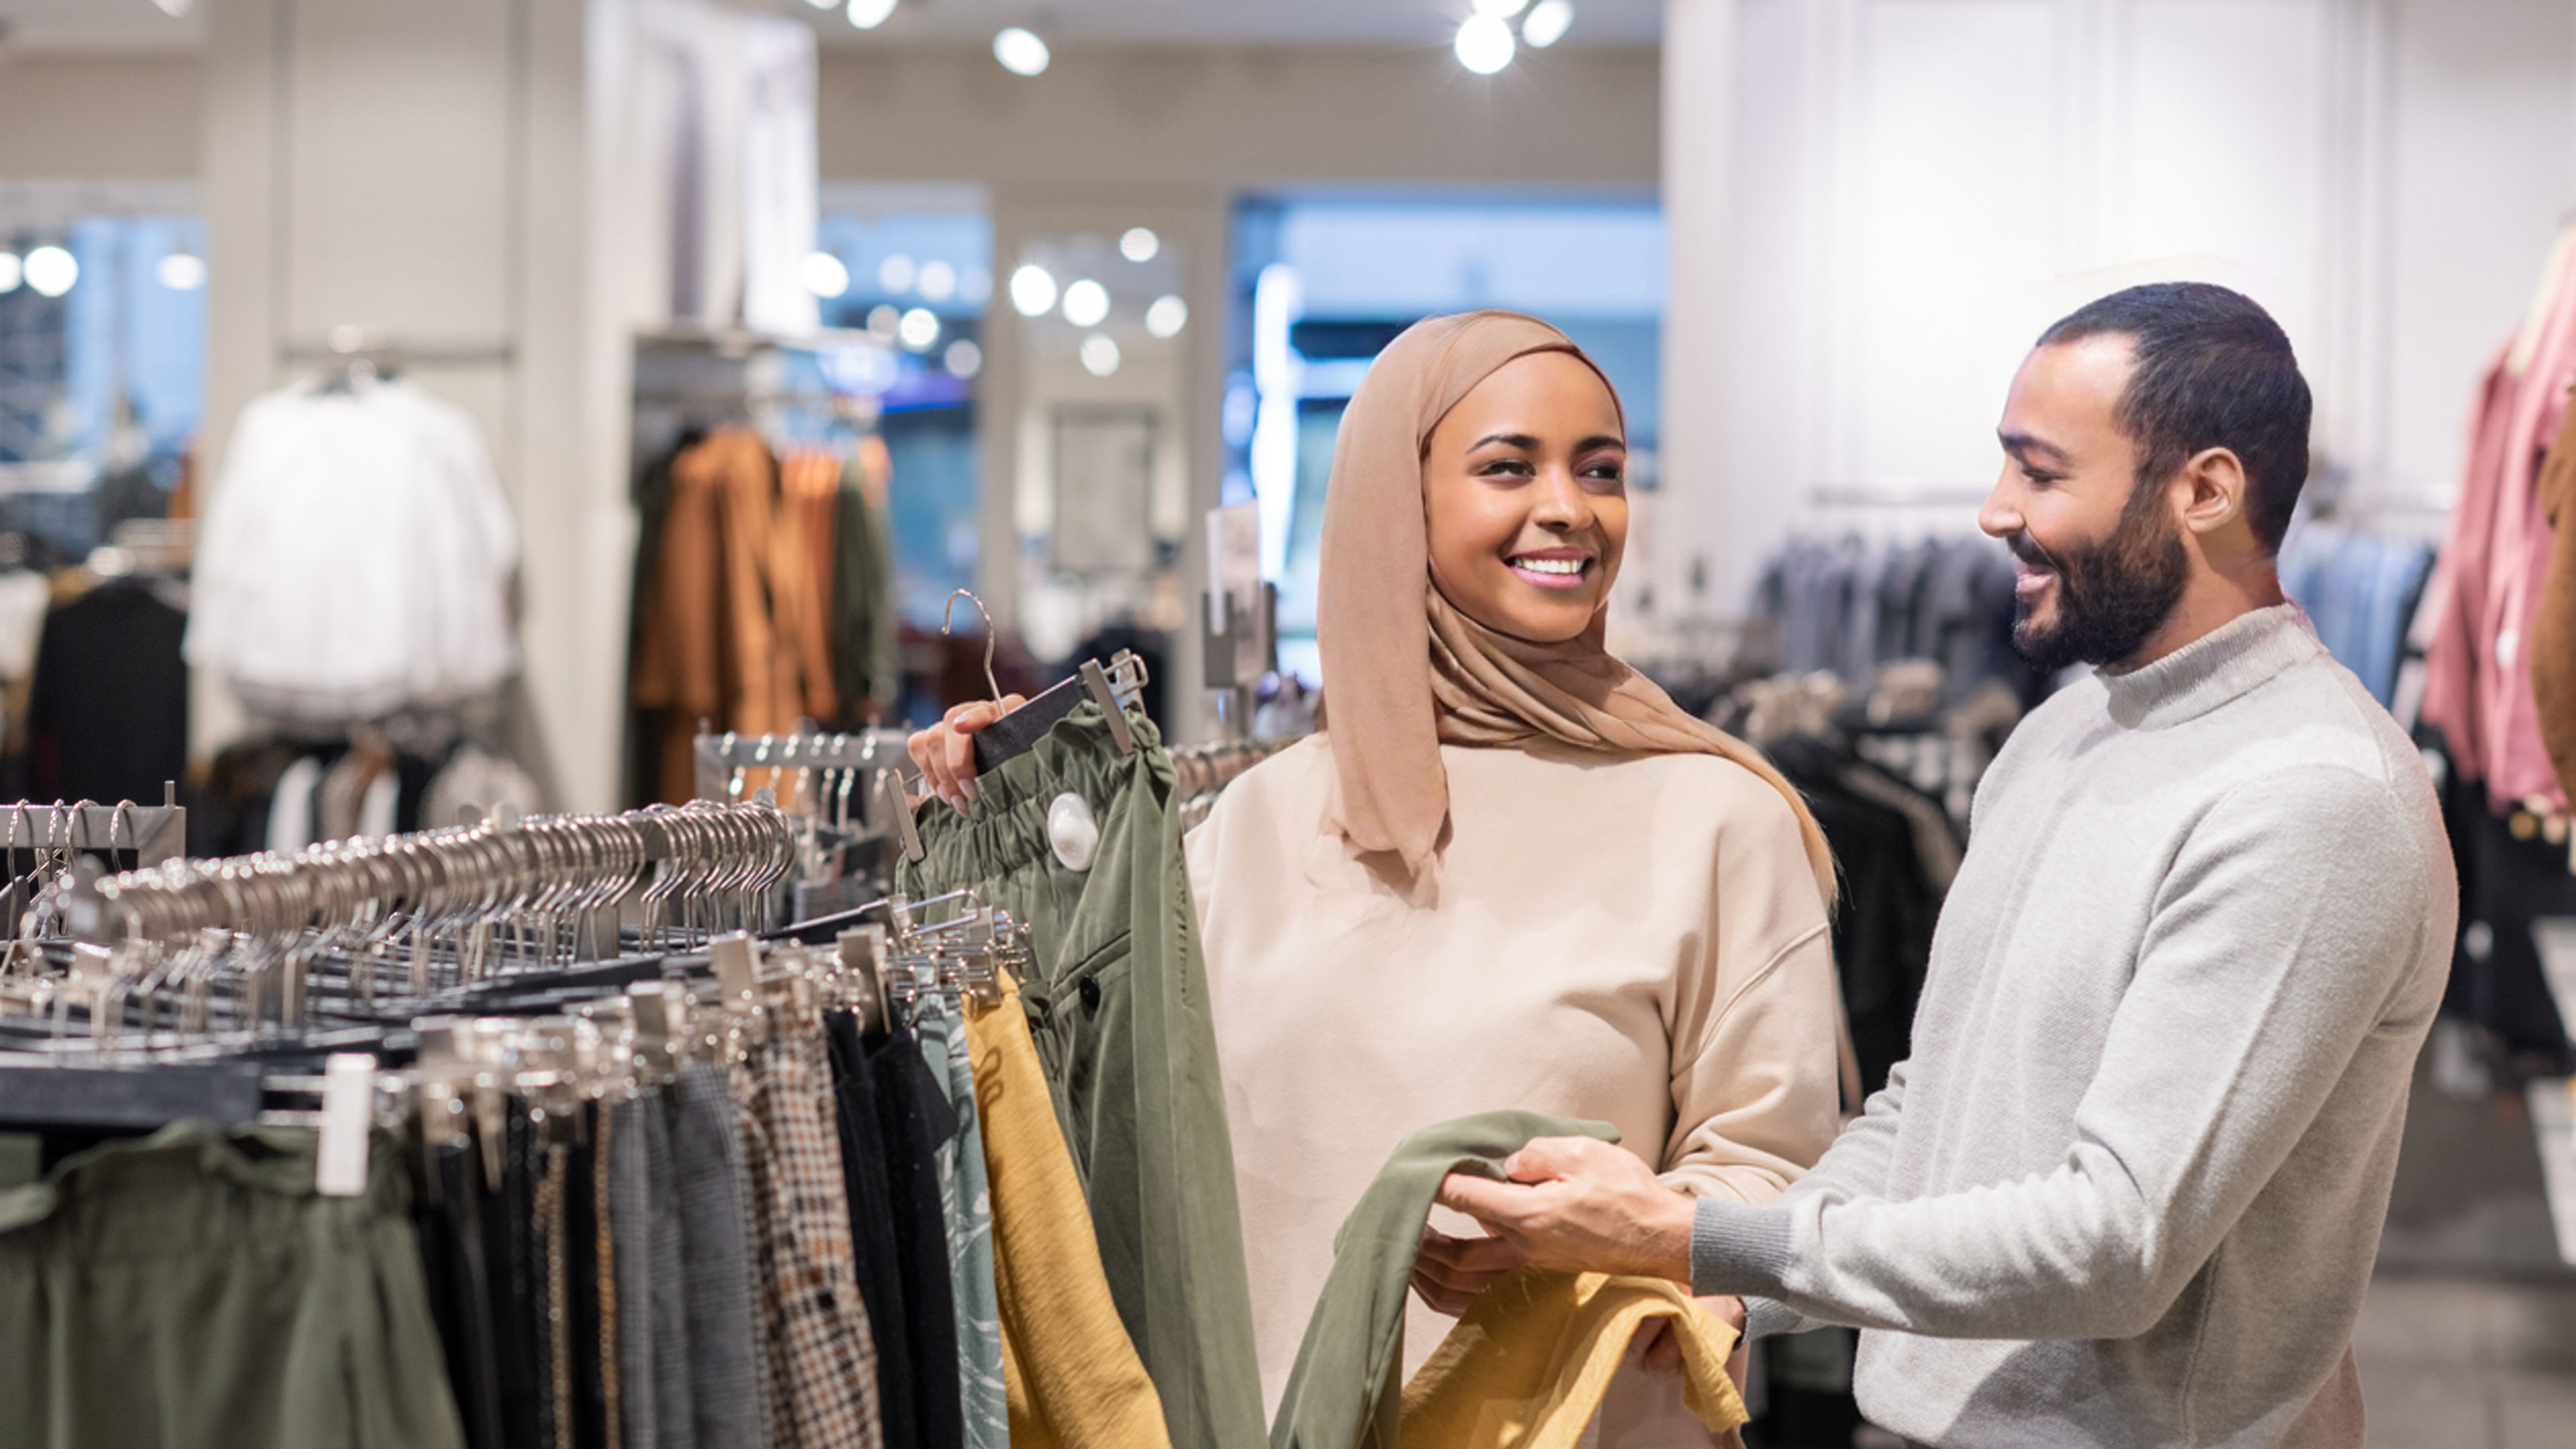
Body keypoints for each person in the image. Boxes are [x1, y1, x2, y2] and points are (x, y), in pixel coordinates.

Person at [1435, 282, 2458, 1448]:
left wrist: (1690, 1237)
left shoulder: (2312, 798)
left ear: (2207, 491)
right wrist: (1741, 1281)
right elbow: (1937, 1107)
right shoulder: (2061, 735)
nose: (1992, 511)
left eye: (2041, 471)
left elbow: (2117, 1245)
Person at [911, 310, 1845, 1440]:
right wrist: (1018, 814)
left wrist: (1657, 1252)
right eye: (1510, 466)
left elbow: (1780, 1173)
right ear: (1396, 501)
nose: (1570, 508)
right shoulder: (1260, 814)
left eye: (1602, 470)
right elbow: (1106, 1107)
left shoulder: (1719, 822)